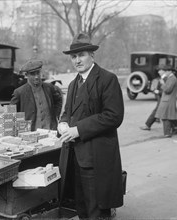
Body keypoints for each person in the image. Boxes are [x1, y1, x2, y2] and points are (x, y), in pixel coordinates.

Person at [57, 32, 124, 219]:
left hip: (96, 159)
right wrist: (62, 124)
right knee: (82, 209)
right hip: (75, 158)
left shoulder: (107, 79)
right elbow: (66, 113)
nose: (77, 60)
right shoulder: (72, 84)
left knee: (97, 212)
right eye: (73, 57)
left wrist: (77, 130)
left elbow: (114, 116)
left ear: (92, 55)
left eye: (82, 55)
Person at [10, 59, 63, 131]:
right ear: (26, 75)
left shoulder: (49, 87)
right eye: (32, 74)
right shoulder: (19, 92)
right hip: (31, 133)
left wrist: (55, 114)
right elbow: (11, 112)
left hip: (50, 131)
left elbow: (58, 100)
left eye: (38, 73)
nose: (36, 77)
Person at [155, 64, 177, 137]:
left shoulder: (172, 79)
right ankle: (176, 129)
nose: (165, 73)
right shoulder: (171, 78)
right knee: (170, 116)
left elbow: (167, 90)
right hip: (168, 100)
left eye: (166, 71)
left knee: (165, 117)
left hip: (168, 100)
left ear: (170, 71)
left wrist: (163, 84)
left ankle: (167, 133)